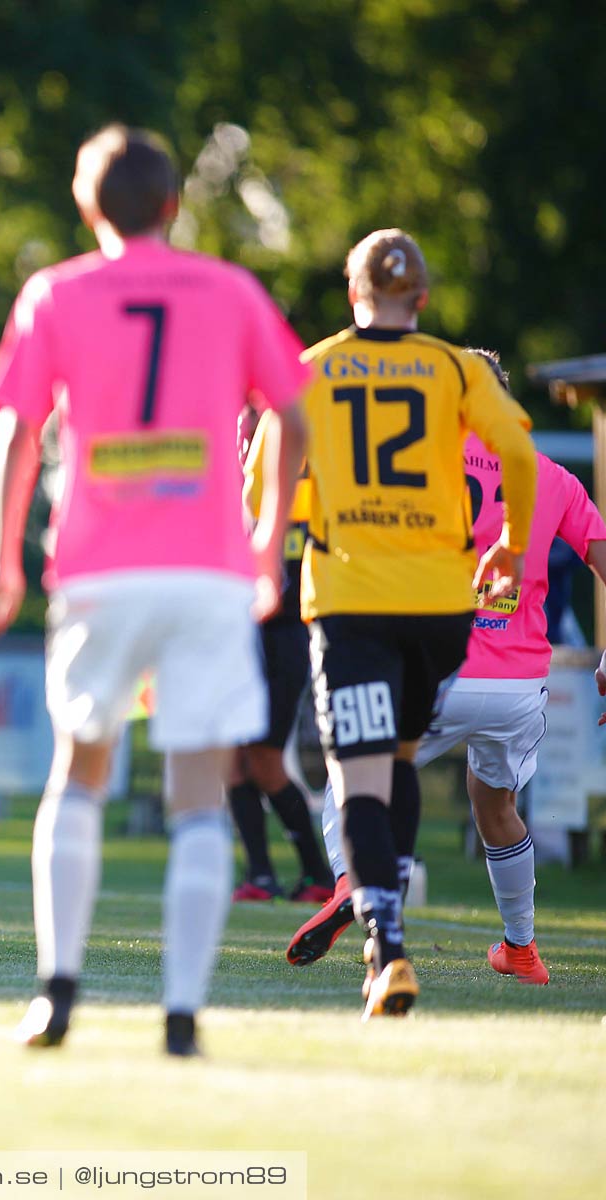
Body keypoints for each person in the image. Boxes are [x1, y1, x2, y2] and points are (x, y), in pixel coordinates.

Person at [0, 124, 309, 1057]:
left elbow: (18, 432)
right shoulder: (231, 289)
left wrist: (0, 559)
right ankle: (183, 1015)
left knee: (79, 773)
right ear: (172, 205)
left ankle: (59, 993)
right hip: (208, 568)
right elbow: (290, 411)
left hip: (99, 566)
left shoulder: (58, 291)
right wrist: (268, 544)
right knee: (200, 790)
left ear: (87, 207)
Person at [288, 348, 606, 986]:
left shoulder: (414, 461)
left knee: (354, 773)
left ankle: (355, 884)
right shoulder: (547, 474)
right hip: (517, 685)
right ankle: (520, 948)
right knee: (497, 806)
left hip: (438, 668)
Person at [288, 232, 537, 1020]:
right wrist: (510, 543)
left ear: (351, 291)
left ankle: (388, 947)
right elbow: (519, 455)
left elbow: (268, 465)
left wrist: (275, 540)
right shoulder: (456, 368)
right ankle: (381, 941)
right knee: (397, 764)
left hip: (353, 592)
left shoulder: (315, 366)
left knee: (358, 774)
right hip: (439, 604)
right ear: (422, 299)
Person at [231, 406, 338, 904]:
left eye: (253, 428)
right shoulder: (228, 489)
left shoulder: (301, 484)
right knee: (233, 762)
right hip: (236, 641)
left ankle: (318, 873)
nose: (247, 438)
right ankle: (262, 876)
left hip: (284, 638)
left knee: (267, 761)